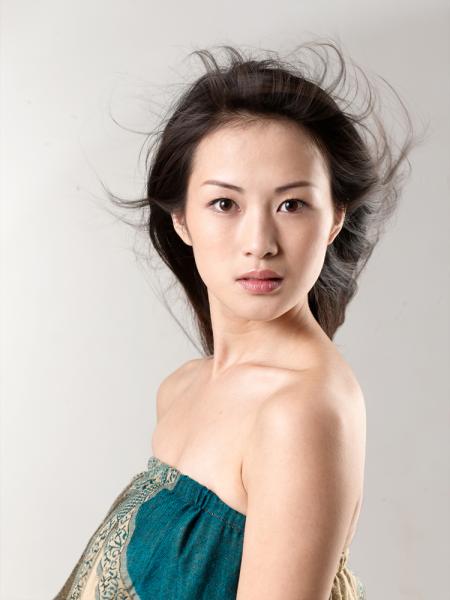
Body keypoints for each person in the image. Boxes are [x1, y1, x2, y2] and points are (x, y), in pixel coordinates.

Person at [54, 38, 420, 599]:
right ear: (181, 219)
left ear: (334, 218)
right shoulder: (184, 388)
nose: (259, 243)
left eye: (292, 204)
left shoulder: (301, 410)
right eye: (224, 204)